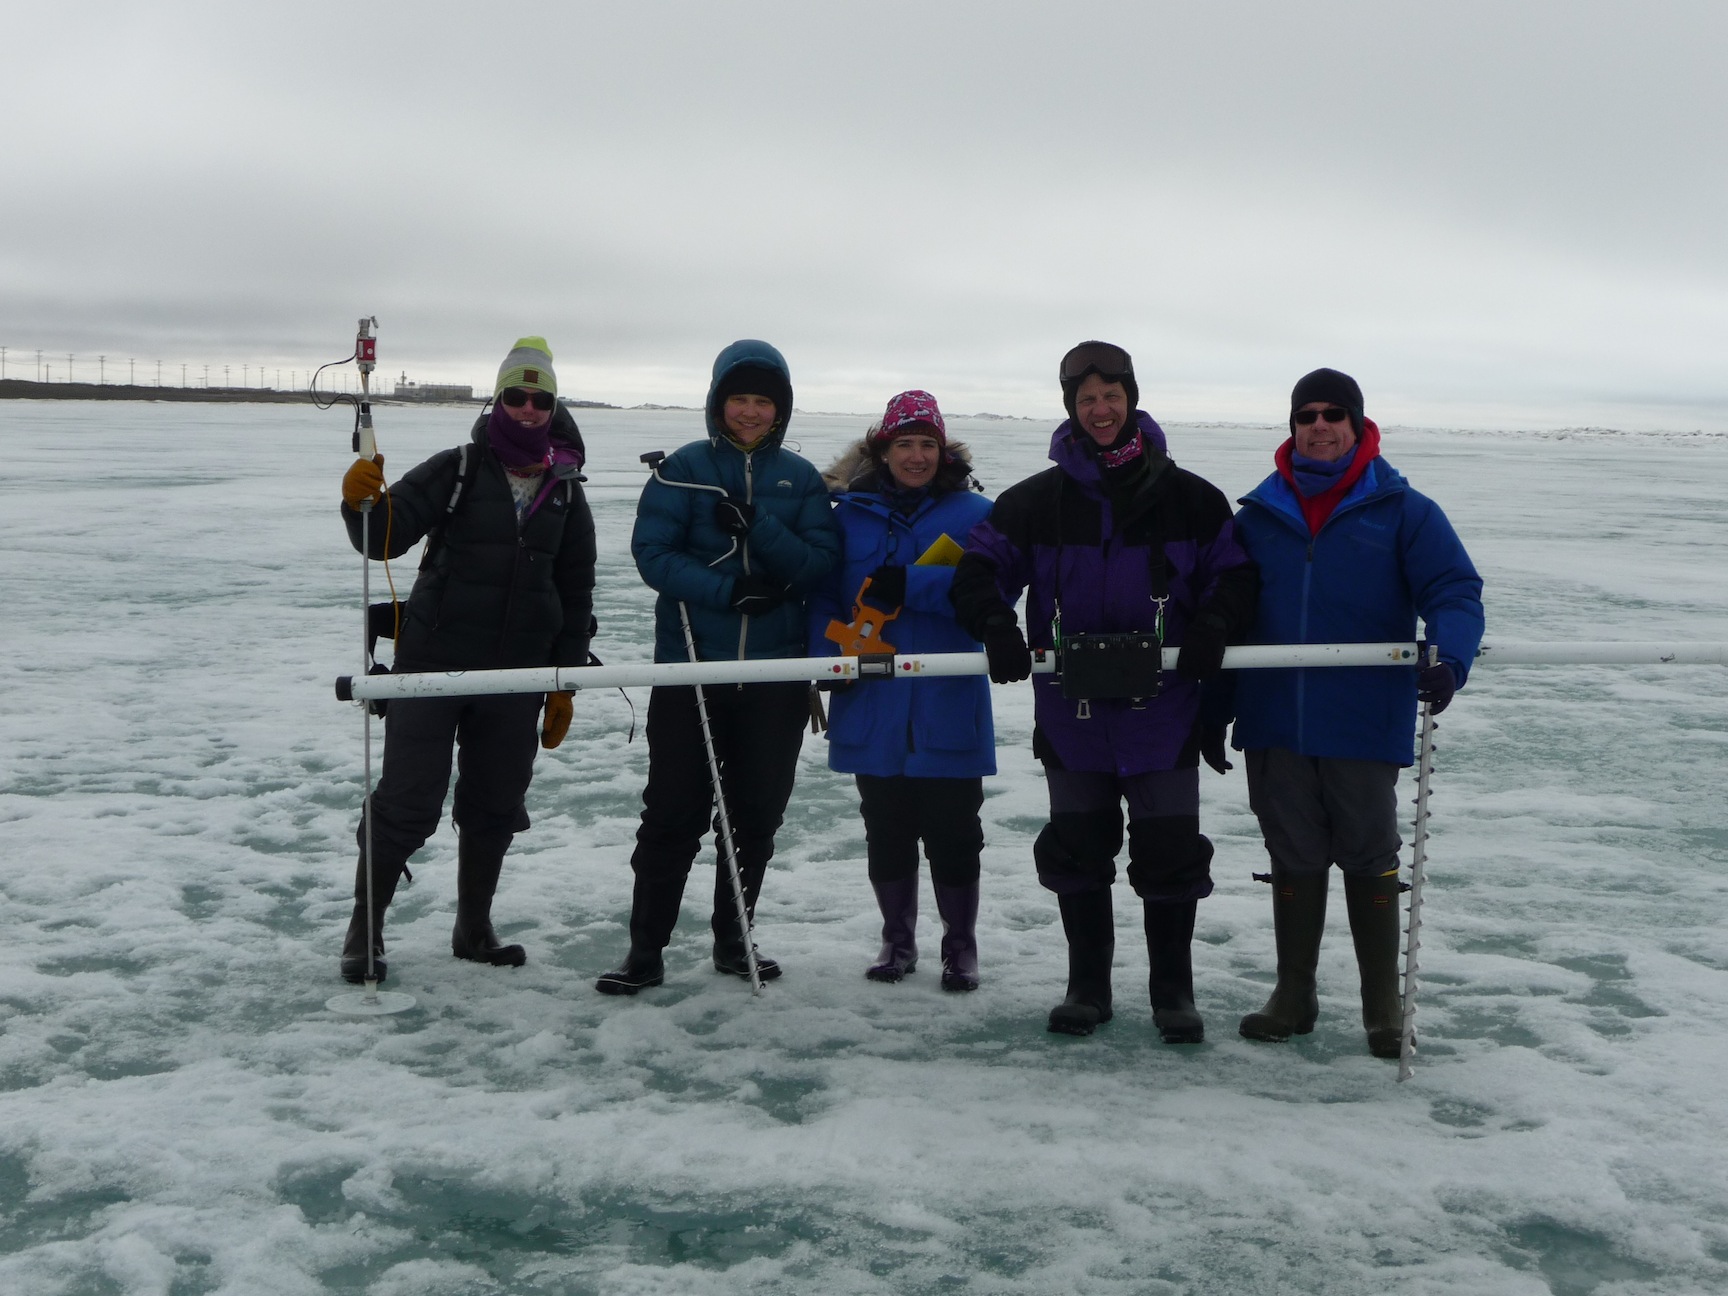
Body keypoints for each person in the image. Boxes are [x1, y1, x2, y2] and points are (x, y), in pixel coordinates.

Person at [951, 342, 1258, 1040]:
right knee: (1078, 849)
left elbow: (1234, 575)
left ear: (1132, 400)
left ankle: (1171, 994)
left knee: (1170, 854)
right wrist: (996, 623)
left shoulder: (1191, 498)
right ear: (1070, 406)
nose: (1100, 410)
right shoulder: (1036, 502)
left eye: (1111, 396)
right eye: (1086, 399)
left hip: (1166, 717)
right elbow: (977, 569)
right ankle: (1086, 986)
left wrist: (1214, 623)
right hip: (1073, 717)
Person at [1212, 367, 1484, 1057]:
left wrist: (1449, 657)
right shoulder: (1258, 516)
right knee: (1292, 852)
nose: (1321, 426)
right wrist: (1212, 705)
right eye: (1308, 415)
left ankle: (1380, 1007)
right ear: (1293, 427)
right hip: (1275, 717)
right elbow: (1220, 612)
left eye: (1336, 414)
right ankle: (1294, 994)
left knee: (1368, 855)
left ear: (1358, 426)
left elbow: (1453, 589)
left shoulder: (1401, 509)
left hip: (1361, 717)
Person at [337, 336, 596, 983]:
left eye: (541, 397)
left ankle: (473, 927)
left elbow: (576, 587)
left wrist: (562, 681)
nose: (529, 407)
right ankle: (363, 933)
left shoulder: (565, 490)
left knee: (494, 803)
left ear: (553, 404)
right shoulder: (457, 469)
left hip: (517, 676)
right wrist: (359, 499)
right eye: (517, 394)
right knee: (408, 803)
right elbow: (384, 534)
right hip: (432, 667)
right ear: (499, 398)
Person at [595, 340, 840, 995]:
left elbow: (819, 564)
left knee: (755, 814)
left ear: (780, 408)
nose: (752, 412)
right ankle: (645, 950)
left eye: (764, 401)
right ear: (718, 402)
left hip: (774, 676)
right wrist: (726, 591)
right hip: (691, 670)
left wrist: (759, 529)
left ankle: (734, 939)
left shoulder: (802, 478)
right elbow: (652, 553)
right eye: (741, 398)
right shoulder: (682, 470)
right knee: (672, 814)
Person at [809, 391, 996, 990]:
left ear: (944, 452)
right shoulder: (845, 515)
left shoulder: (977, 516)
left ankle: (959, 947)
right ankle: (897, 942)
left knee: (954, 831)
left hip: (947, 699)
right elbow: (822, 595)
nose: (916, 456)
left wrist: (909, 585)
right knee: (885, 826)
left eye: (928, 444)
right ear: (881, 450)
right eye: (904, 444)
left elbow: (993, 599)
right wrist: (826, 656)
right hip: (872, 697)